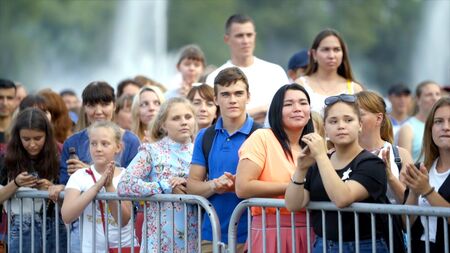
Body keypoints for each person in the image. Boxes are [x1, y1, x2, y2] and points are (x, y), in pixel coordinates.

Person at [285, 94, 388, 252]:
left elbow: (342, 199)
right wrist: (301, 169)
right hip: (323, 244)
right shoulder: (318, 163)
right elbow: (293, 204)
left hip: (365, 246)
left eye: (348, 120)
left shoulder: (371, 163)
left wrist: (320, 156)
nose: (341, 126)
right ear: (325, 128)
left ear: (360, 125)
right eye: (333, 121)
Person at [235, 83, 315, 252]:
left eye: (303, 103)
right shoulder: (262, 138)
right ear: (276, 111)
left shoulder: (315, 146)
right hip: (271, 230)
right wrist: (294, 188)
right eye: (288, 104)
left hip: (311, 231)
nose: (297, 108)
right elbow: (243, 187)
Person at [187, 67, 258, 252]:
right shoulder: (205, 136)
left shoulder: (262, 134)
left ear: (248, 96)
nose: (233, 100)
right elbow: (192, 186)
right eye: (225, 94)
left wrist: (241, 186)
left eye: (238, 93)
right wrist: (214, 185)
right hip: (211, 236)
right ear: (216, 99)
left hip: (253, 236)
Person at [118, 97, 198, 252]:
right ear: (163, 124)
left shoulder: (201, 151)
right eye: (176, 118)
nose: (184, 122)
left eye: (188, 117)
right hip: (159, 242)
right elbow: (124, 185)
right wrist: (165, 186)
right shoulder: (151, 151)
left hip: (195, 240)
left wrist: (190, 184)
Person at [61, 121, 137, 253]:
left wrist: (109, 187)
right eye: (93, 143)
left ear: (118, 147)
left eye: (105, 143)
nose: (98, 148)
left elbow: (123, 220)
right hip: (90, 249)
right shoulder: (79, 176)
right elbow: (67, 216)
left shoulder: (127, 176)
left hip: (123, 248)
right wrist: (96, 187)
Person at [0, 108, 67, 253]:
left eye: (37, 138)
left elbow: (70, 198)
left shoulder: (59, 156)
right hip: (21, 227)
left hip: (56, 225)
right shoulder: (6, 159)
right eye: (26, 139)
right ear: (18, 137)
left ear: (47, 136)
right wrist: (16, 183)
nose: (32, 144)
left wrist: (52, 188)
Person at [206, 14, 289, 123]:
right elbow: (215, 119)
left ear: (255, 36)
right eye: (239, 36)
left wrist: (241, 116)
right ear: (227, 39)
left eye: (249, 35)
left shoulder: (276, 72)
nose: (245, 41)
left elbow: (287, 108)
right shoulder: (214, 78)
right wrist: (262, 110)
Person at [60, 81, 140, 185]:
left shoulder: (131, 141)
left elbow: (134, 182)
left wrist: (90, 172)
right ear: (84, 108)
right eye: (92, 105)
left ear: (114, 106)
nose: (98, 111)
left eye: (105, 105)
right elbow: (65, 183)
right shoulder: (72, 143)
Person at [402, 97, 450, 252]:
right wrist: (414, 194)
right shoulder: (421, 168)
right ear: (430, 128)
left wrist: (427, 191)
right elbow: (405, 223)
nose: (446, 127)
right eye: (438, 121)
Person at [356, 90, 413, 203]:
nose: (352, 119)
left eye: (359, 114)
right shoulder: (340, 153)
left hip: (389, 221)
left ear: (379, 118)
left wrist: (390, 177)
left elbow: (410, 203)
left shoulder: (400, 154)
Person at [295, 29, 363, 114]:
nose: (331, 55)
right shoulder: (300, 85)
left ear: (343, 54)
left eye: (336, 50)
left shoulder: (354, 89)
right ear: (314, 54)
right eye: (325, 49)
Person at [397, 81, 441, 161]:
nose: (435, 98)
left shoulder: (445, 125)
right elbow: (405, 166)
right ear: (417, 99)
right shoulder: (407, 128)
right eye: (429, 94)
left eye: (437, 94)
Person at [0, 79, 16, 155]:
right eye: (0, 98)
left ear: (15, 100)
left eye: (9, 98)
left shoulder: (21, 129)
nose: (5, 103)